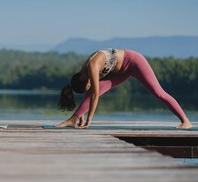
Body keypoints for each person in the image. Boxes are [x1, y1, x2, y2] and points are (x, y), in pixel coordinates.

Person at [57, 48, 192, 129]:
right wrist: (82, 114)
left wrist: (89, 119)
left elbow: (95, 94)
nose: (90, 86)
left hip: (134, 62)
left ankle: (185, 121)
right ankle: (74, 118)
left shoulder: (92, 66)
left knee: (158, 93)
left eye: (88, 86)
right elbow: (92, 92)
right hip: (120, 72)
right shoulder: (84, 73)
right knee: (96, 91)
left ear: (82, 79)